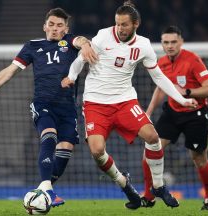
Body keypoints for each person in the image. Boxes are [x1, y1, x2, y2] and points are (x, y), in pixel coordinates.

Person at [62, 2, 197, 210]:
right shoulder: (102, 37)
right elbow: (80, 60)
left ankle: (159, 185)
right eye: (117, 24)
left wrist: (182, 100)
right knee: (97, 152)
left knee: (153, 138)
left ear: (136, 24)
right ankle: (123, 183)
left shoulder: (143, 45)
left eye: (124, 25)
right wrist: (71, 77)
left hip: (125, 101)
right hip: (96, 103)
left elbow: (159, 77)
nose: (119, 28)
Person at [0, 8, 97, 207]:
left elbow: (80, 40)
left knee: (65, 149)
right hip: (43, 104)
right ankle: (48, 192)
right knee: (49, 135)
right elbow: (9, 71)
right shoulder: (32, 46)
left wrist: (86, 44)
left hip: (68, 107)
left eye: (59, 25)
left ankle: (43, 191)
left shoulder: (70, 42)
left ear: (66, 28)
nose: (54, 28)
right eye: (51, 24)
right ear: (45, 26)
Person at [143, 25, 208, 210]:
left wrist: (187, 91)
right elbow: (161, 89)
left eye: (173, 42)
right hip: (173, 113)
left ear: (181, 42)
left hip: (195, 114)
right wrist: (149, 113)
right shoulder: (161, 63)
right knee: (149, 151)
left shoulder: (193, 60)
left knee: (198, 157)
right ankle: (149, 196)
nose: (170, 46)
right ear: (162, 43)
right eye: (166, 42)